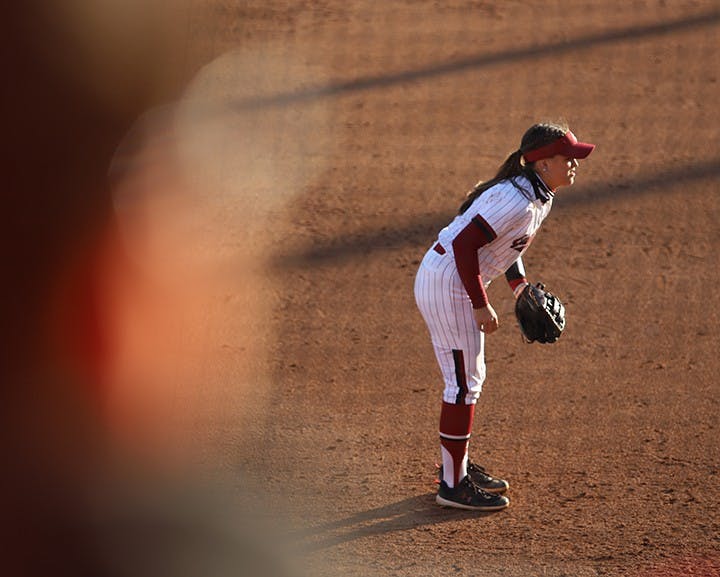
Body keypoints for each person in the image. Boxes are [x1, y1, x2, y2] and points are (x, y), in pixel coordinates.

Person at [414, 122, 595, 511]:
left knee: (469, 380)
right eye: (568, 158)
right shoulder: (515, 199)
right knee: (463, 384)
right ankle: (452, 485)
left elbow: (507, 245)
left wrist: (518, 286)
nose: (575, 164)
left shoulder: (537, 195)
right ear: (543, 163)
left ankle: (456, 468)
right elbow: (465, 245)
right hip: (448, 284)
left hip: (451, 280)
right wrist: (480, 303)